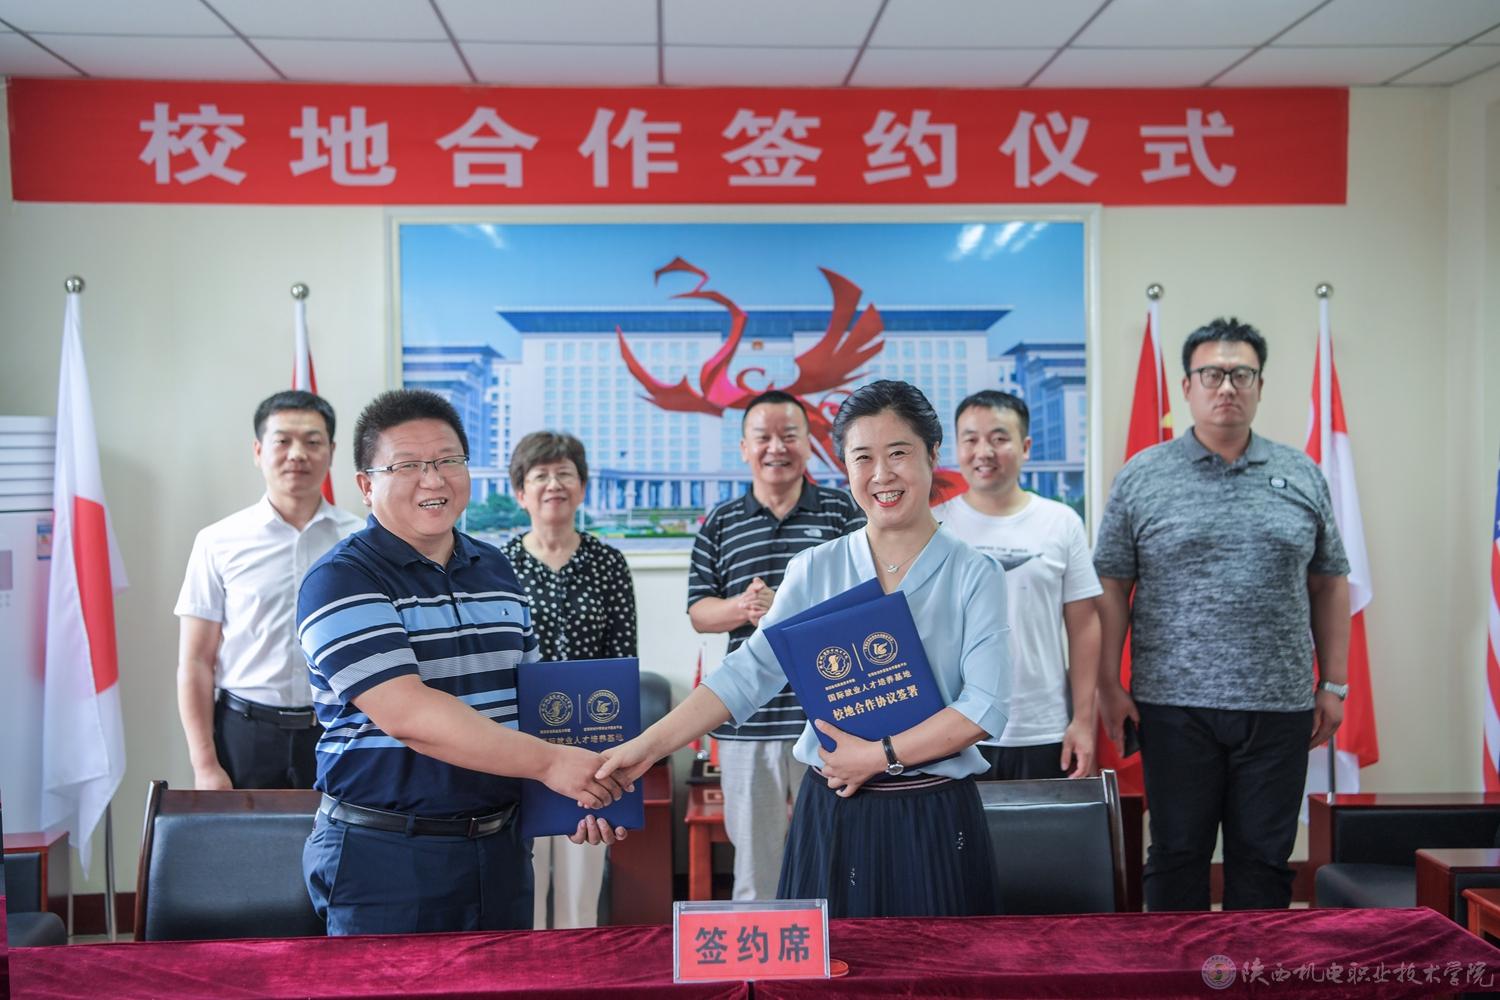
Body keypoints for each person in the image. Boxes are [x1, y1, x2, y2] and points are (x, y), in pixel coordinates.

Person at [602, 380, 1011, 917]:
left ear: (933, 455)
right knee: (828, 961)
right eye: (862, 457)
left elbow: (984, 706)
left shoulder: (975, 573)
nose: (881, 474)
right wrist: (645, 748)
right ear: (844, 467)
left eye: (898, 453)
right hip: (834, 812)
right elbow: (746, 675)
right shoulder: (817, 568)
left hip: (934, 811)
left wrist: (879, 756)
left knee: (938, 960)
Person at [297, 389, 625, 936]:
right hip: (386, 855)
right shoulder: (341, 578)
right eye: (407, 466)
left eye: (449, 460)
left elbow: (532, 703)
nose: (433, 480)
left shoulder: (495, 568)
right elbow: (409, 715)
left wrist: (575, 800)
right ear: (366, 485)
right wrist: (552, 765)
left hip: (500, 850)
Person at [1093, 317, 1351, 911]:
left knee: (1264, 861)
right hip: (1172, 706)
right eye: (1212, 374)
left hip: (1279, 706)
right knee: (1177, 855)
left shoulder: (1302, 473)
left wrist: (1334, 684)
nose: (1227, 387)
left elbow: (1329, 582)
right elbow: (1112, 585)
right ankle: (1175, 964)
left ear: (1260, 385)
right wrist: (1108, 683)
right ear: (1187, 386)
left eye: (1242, 374)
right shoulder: (1143, 475)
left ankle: (1251, 965)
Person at [687, 389, 865, 901]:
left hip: (831, 717)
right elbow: (699, 612)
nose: (776, 447)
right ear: (744, 447)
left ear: (809, 444)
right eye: (762, 437)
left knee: (837, 858)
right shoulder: (721, 522)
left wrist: (790, 608)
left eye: (789, 435)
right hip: (749, 721)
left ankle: (838, 949)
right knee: (756, 867)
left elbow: (867, 601)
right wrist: (743, 608)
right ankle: (760, 953)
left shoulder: (842, 511)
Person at [174, 390, 363, 790]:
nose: (297, 454)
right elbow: (195, 661)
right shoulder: (218, 541)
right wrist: (205, 765)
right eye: (282, 441)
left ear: (331, 452)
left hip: (339, 730)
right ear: (258, 451)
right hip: (245, 734)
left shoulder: (360, 540)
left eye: (312, 441)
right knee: (242, 835)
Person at [501, 430, 637, 930]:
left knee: (581, 893)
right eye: (540, 476)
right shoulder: (497, 567)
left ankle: (578, 970)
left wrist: (618, 758)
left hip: (592, 751)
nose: (554, 484)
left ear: (581, 487)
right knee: (524, 886)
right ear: (521, 492)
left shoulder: (608, 563)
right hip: (518, 750)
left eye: (565, 474)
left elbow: (623, 659)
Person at [934, 390, 1101, 780]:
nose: (984, 452)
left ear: (1025, 447)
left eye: (999, 438)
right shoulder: (934, 525)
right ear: (956, 448)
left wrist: (1083, 720)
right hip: (954, 727)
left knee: (1045, 823)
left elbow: (1084, 626)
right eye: (971, 439)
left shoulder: (1061, 522)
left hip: (1042, 727)